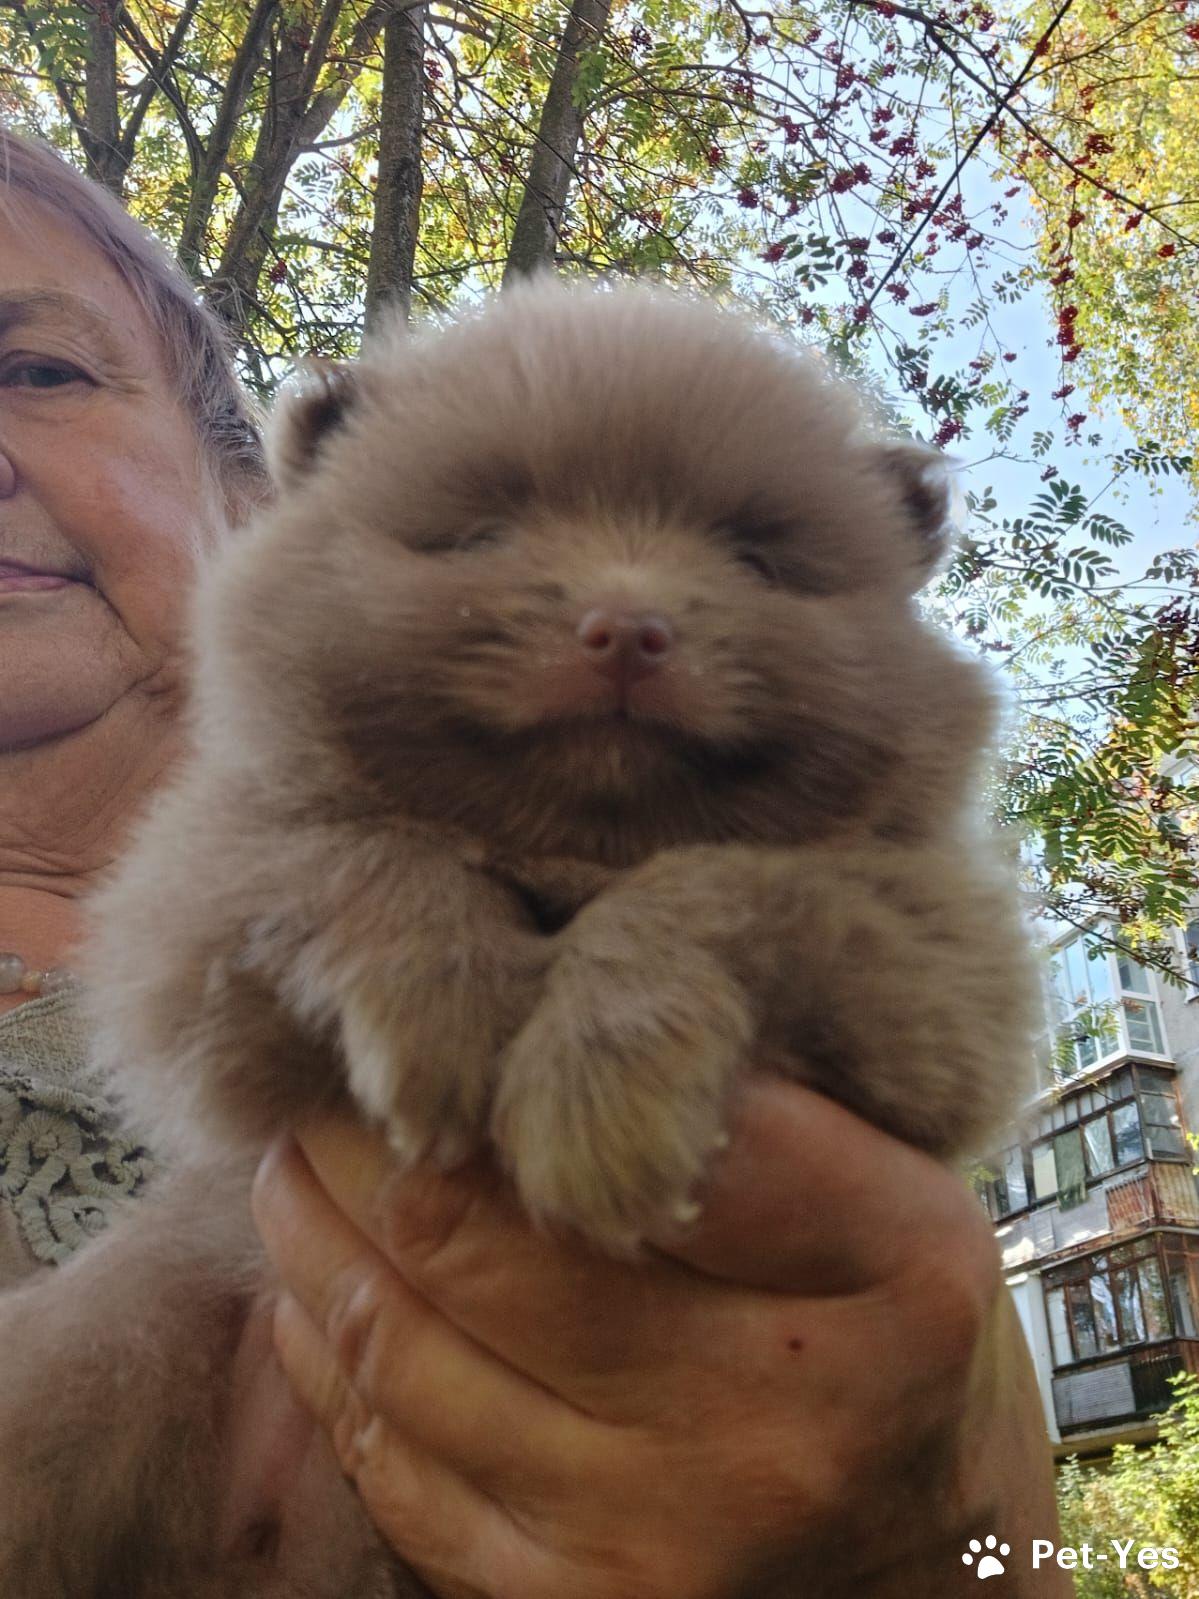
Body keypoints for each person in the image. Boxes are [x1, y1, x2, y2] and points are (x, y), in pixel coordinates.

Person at [0, 122, 1070, 1596]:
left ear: (257, 488)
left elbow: (947, 1026)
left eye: (36, 369)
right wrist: (362, 905)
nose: (626, 608)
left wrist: (956, 1544)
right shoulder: (256, 862)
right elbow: (201, 973)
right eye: (489, 531)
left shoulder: (869, 862)